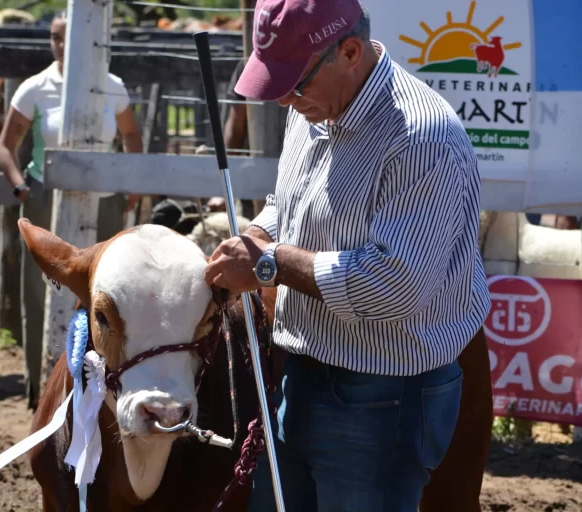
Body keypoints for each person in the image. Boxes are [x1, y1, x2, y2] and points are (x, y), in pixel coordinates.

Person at [203, 0, 491, 510]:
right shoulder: (315, 104)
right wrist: (256, 236)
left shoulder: (422, 137)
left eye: (294, 83)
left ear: (350, 52)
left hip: (384, 395)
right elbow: (290, 204)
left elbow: (393, 284)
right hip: (300, 372)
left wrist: (269, 263)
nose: (284, 99)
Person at [0, 10, 143, 409]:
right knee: (41, 290)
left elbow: (131, 135)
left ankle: (102, 386)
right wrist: (23, 189)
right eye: (56, 37)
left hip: (105, 197)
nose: (62, 45)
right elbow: (6, 144)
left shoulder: (112, 86)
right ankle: (40, 387)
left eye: (68, 37)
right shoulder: (35, 88)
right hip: (48, 195)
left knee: (106, 291)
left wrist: (131, 183)